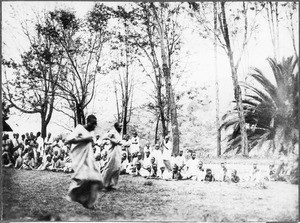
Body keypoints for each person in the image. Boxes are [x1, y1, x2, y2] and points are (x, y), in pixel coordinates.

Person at [64, 114, 103, 209]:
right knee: (83, 180)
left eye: (95, 124)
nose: (94, 126)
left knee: (96, 181)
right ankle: (75, 196)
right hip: (79, 160)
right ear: (87, 122)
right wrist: (84, 139)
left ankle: (90, 203)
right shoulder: (79, 128)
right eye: (92, 124)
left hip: (89, 160)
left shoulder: (91, 132)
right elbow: (68, 140)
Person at [101, 122, 123, 191]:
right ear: (116, 126)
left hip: (118, 152)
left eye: (122, 126)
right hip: (112, 152)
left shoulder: (119, 134)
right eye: (120, 126)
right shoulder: (113, 131)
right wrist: (112, 140)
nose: (121, 127)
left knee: (117, 168)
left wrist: (116, 141)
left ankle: (111, 185)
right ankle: (103, 185)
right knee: (109, 167)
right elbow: (104, 137)